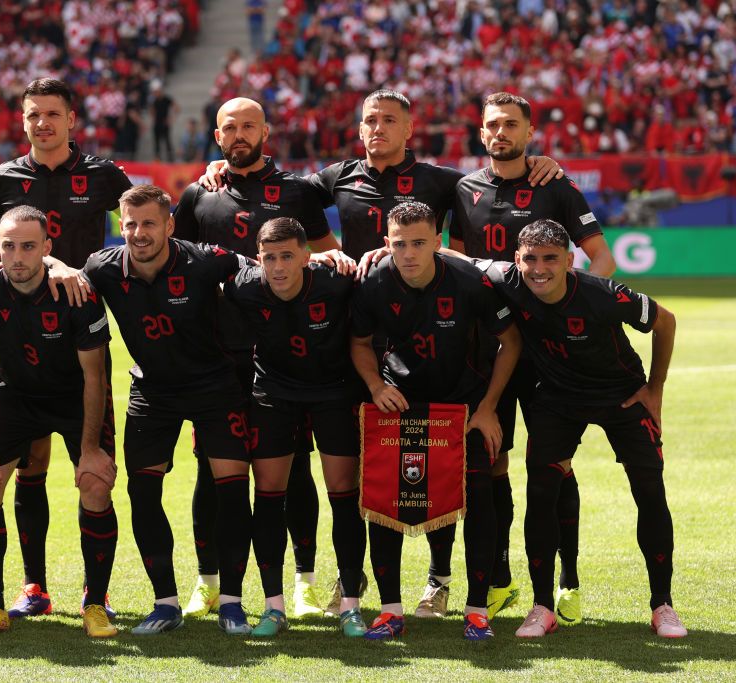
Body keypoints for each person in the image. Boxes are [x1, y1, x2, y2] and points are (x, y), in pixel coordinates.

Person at [198, 88, 559, 614]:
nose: (378, 128)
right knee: (355, 474)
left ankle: (452, 579)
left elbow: (496, 184)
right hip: (354, 344)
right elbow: (270, 184)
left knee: (459, 467)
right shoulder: (333, 178)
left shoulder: (442, 181)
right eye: (370, 119)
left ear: (409, 129)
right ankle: (334, 582)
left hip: (446, 344)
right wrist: (222, 166)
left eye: (390, 120)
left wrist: (537, 163)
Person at [0, 77, 131, 618]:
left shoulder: (102, 176)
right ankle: (33, 587)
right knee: (28, 469)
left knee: (91, 476)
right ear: (23, 120)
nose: (43, 123)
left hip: (81, 340)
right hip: (19, 341)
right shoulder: (5, 178)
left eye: (52, 113)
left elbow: (149, 216)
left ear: (72, 119)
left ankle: (92, 598)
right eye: (33, 114)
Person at [173, 96, 350, 619]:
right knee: (213, 472)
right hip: (219, 359)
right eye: (230, 126)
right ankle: (208, 582)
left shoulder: (295, 191)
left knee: (296, 471)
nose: (240, 133)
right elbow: (178, 267)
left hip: (287, 357)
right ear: (216, 134)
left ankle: (303, 582)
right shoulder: (197, 196)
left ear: (266, 131)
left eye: (249, 124)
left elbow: (327, 252)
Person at [468, 219, 685, 639]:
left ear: (570, 261)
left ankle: (663, 605)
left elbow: (666, 321)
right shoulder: (507, 279)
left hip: (621, 397)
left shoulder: (604, 295)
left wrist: (654, 388)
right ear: (517, 260)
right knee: (541, 491)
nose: (539, 269)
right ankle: (542, 606)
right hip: (558, 399)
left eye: (551, 259)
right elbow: (456, 258)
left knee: (649, 491)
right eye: (530, 259)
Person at [447, 91, 616, 625]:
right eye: (493, 125)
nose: (501, 133)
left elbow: (602, 257)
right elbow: (452, 258)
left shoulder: (555, 185)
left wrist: (581, 314)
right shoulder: (464, 188)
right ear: (481, 133)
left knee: (553, 465)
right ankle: (499, 580)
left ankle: (568, 581)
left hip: (547, 353)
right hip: (485, 350)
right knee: (490, 462)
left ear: (529, 131)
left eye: (511, 124)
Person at [83, 184, 254, 636]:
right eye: (131, 224)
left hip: (215, 387)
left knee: (233, 491)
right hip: (152, 391)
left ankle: (233, 604)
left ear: (170, 225)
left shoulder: (203, 260)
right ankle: (165, 604)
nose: (139, 233)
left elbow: (262, 267)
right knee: (142, 494)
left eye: (149, 223)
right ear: (120, 226)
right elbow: (62, 275)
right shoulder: (102, 268)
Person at [349, 201, 521, 641]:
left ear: (437, 243)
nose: (408, 253)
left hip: (461, 409)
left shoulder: (468, 282)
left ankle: (477, 610)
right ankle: (390, 611)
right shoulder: (374, 281)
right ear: (387, 242)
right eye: (399, 243)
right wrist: (374, 387)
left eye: (419, 243)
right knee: (386, 506)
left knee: (476, 501)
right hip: (401, 406)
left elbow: (511, 343)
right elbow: (360, 343)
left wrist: (487, 408)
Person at [0, 206, 118, 639]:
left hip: (75, 397)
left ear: (47, 249)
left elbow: (95, 376)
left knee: (95, 483)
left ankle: (96, 604)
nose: (17, 256)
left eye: (29, 247)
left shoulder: (76, 292)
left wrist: (89, 450)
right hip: (17, 395)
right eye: (8, 246)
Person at [224, 217, 367, 638]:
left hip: (334, 392)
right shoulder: (244, 286)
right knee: (268, 495)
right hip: (273, 392)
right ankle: (273, 608)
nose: (279, 266)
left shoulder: (338, 280)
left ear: (308, 255)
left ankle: (350, 607)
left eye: (288, 256)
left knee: (344, 496)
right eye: (270, 257)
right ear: (258, 259)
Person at [150, 81, 177, 162]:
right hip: (157, 124)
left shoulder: (166, 99)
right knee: (156, 142)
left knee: (167, 142)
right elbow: (151, 110)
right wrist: (154, 117)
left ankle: (170, 159)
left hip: (164, 124)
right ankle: (157, 159)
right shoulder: (154, 100)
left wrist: (171, 118)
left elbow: (177, 108)